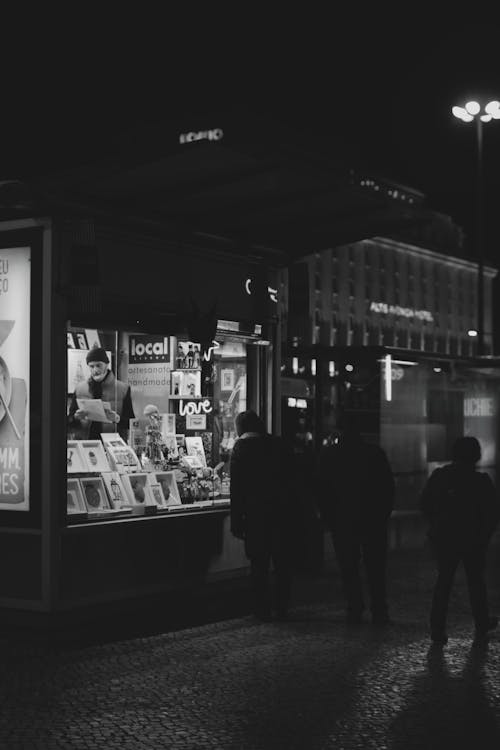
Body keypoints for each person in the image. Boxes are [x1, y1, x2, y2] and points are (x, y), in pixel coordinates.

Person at [314, 417, 395, 625]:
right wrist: (382, 515)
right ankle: (379, 608)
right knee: (375, 568)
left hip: (342, 519)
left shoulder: (330, 455)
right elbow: (387, 488)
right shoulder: (374, 454)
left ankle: (355, 606)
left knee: (348, 567)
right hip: (372, 519)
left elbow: (322, 489)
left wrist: (327, 517)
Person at [420, 436, 500, 645]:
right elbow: (491, 513)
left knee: (444, 582)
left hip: (446, 537)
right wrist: (484, 535)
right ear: (476, 456)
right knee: (476, 581)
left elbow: (426, 504)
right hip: (473, 538)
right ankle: (481, 622)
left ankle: (437, 628)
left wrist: (436, 524)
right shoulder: (481, 481)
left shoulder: (441, 476)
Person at [230, 409, 296, 621]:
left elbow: (236, 489)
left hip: (255, 516)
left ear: (241, 428)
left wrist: (236, 520)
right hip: (282, 514)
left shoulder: (241, 448)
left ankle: (262, 608)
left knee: (259, 564)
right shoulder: (279, 445)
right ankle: (282, 606)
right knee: (282, 563)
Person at [67, 346, 135, 442]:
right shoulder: (79, 389)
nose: (95, 370)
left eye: (98, 365)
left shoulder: (123, 389)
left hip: (111, 445)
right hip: (85, 444)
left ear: (107, 365)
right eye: (91, 366)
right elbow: (70, 422)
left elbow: (131, 423)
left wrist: (117, 419)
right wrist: (75, 417)